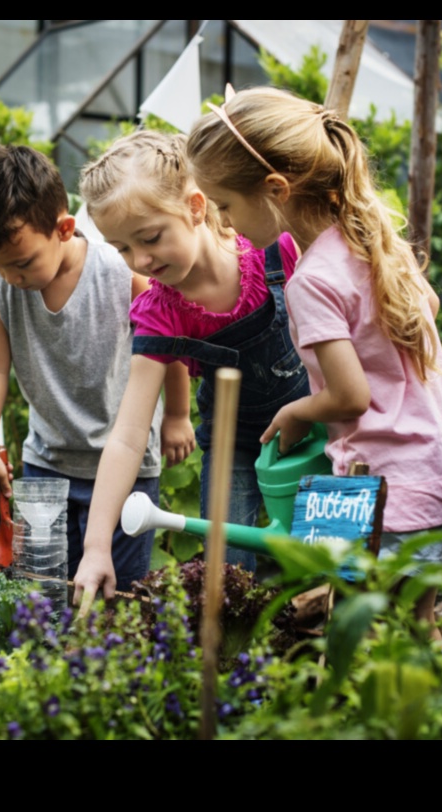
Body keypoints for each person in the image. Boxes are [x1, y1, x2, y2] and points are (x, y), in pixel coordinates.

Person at [186, 87, 442, 641]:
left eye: (224, 205)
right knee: (421, 630)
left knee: (372, 639)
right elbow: (429, 306)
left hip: (388, 493)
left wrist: (298, 409)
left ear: (276, 189)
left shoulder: (313, 280)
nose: (224, 224)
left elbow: (348, 396)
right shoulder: (370, 241)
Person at [74, 131, 311, 602]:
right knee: (225, 579)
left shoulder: (275, 250)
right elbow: (126, 435)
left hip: (319, 432)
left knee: (326, 565)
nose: (139, 260)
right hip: (234, 447)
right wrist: (96, 546)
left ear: (197, 207)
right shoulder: (161, 311)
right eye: (121, 248)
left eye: (150, 238)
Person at [0, 145, 191, 597]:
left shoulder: (119, 273)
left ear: (64, 229)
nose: (11, 277)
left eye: (22, 262)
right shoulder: (4, 286)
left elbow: (169, 342)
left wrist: (176, 416)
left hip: (126, 468)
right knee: (42, 595)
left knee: (116, 598)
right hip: (45, 465)